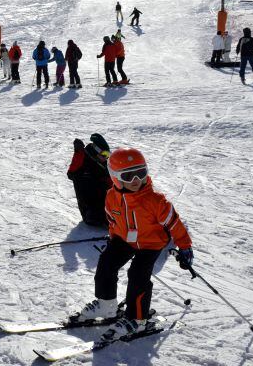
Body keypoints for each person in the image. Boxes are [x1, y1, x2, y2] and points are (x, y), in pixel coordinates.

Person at [68, 147, 194, 342]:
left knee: (138, 274)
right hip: (124, 239)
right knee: (107, 263)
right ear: (115, 177)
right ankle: (106, 305)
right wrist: (113, 240)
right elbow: (113, 221)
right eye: (128, 176)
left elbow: (174, 224)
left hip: (150, 243)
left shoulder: (156, 201)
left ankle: (137, 319)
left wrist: (185, 247)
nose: (136, 181)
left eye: (140, 173)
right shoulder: (111, 197)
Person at [66, 133, 112, 226]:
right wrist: (78, 154)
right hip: (90, 212)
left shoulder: (102, 163)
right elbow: (71, 173)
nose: (106, 157)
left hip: (105, 204)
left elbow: (111, 182)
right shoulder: (83, 159)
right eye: (104, 154)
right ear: (96, 151)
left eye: (108, 154)